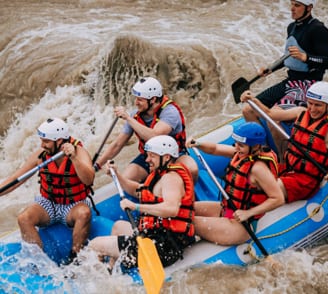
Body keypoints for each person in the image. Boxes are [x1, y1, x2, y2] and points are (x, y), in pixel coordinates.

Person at [241, 82, 328, 203]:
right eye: (310, 103)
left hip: (306, 181)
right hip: (286, 168)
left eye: (318, 105)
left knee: (265, 189)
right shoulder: (301, 112)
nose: (312, 109)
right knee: (247, 178)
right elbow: (269, 114)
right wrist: (252, 100)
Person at [89, 135, 195, 270]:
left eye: (152, 156)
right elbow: (139, 191)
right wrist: (117, 175)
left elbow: (171, 209)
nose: (147, 160)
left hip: (163, 247)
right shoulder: (159, 174)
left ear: (167, 157)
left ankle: (100, 281)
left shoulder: (171, 178)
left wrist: (136, 206)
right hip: (155, 236)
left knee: (95, 245)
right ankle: (111, 270)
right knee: (118, 226)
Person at [0, 118, 94, 262]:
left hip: (72, 205)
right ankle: (40, 263)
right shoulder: (41, 154)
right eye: (42, 140)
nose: (42, 145)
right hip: (48, 204)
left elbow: (89, 179)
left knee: (84, 213)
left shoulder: (79, 152)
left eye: (46, 141)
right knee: (24, 218)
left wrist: (74, 158)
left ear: (60, 141)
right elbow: (15, 179)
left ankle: (75, 258)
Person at [185, 122, 285, 246]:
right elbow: (215, 149)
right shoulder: (242, 154)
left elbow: (278, 199)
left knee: (186, 220)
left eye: (241, 145)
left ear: (256, 146)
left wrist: (248, 213)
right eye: (236, 143)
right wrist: (198, 144)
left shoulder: (258, 169)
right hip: (229, 210)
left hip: (241, 226)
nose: (236, 148)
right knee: (184, 209)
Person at [93, 76, 198, 184]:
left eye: (140, 99)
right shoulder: (135, 116)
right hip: (150, 158)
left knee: (192, 169)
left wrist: (128, 118)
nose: (136, 103)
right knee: (125, 180)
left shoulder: (170, 112)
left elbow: (155, 136)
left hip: (173, 156)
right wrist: (97, 166)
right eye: (136, 98)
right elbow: (117, 144)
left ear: (152, 99)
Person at [242, 0, 328, 122]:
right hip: (290, 81)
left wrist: (305, 57)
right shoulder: (292, 27)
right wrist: (271, 68)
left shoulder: (318, 29)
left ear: (309, 8)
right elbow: (288, 56)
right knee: (249, 109)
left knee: (276, 116)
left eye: (297, 5)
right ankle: (258, 140)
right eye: (291, 4)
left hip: (307, 84)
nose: (292, 8)